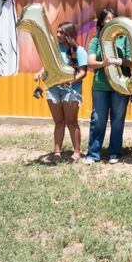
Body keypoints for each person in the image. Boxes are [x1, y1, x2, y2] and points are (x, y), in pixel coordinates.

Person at [85, 7, 132, 165]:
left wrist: (120, 62)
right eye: (106, 18)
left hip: (120, 85)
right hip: (100, 86)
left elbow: (131, 61)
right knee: (98, 119)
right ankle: (93, 154)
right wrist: (103, 63)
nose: (109, 21)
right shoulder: (96, 40)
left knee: (117, 120)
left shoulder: (124, 38)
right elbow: (90, 62)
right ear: (101, 21)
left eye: (112, 18)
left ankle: (114, 152)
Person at [34, 22, 88, 162]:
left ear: (68, 34)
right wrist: (39, 73)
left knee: (71, 121)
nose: (57, 35)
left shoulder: (79, 50)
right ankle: (57, 152)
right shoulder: (54, 49)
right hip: (53, 89)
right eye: (57, 32)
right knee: (58, 121)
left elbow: (83, 72)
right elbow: (46, 66)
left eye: (61, 32)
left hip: (71, 91)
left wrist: (70, 81)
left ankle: (77, 152)